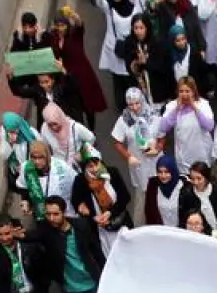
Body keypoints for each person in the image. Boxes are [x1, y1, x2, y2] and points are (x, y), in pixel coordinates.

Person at [39, 196, 107, 293]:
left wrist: (106, 273)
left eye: (55, 214)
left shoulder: (80, 226)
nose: (51, 218)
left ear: (64, 212)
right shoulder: (46, 231)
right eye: (48, 214)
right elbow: (30, 236)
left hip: (90, 283)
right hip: (70, 289)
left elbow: (96, 250)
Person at [110, 87, 164, 225]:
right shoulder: (124, 120)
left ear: (142, 101)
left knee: (161, 191)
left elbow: (162, 137)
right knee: (143, 194)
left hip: (155, 161)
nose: (134, 107)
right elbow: (117, 142)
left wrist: (157, 149)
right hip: (138, 163)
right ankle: (143, 225)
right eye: (130, 104)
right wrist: (128, 156)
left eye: (137, 103)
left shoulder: (154, 116)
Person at [72, 146, 133, 255]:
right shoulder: (80, 181)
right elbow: (76, 201)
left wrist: (110, 213)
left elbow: (125, 197)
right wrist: (90, 215)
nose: (95, 169)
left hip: (120, 222)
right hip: (99, 228)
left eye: (97, 164)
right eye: (90, 166)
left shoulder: (112, 173)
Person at [158, 77, 216, 175]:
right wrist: (176, 110)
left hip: (203, 154)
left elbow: (209, 126)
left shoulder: (203, 104)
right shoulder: (171, 106)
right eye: (181, 91)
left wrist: (194, 107)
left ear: (193, 91)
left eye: (187, 91)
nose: (184, 94)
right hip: (184, 156)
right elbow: (163, 127)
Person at [97, 0, 139, 108]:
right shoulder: (109, 8)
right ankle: (121, 105)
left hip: (130, 48)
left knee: (131, 76)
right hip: (115, 48)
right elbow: (99, 2)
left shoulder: (132, 7)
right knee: (118, 79)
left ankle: (135, 102)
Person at [21, 139, 78, 223]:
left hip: (63, 213)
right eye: (34, 157)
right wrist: (25, 201)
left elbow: (76, 183)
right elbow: (23, 186)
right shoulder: (26, 168)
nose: (37, 161)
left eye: (40, 157)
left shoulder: (61, 167)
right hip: (41, 215)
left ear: (47, 156)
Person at [6, 12, 47, 100]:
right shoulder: (19, 35)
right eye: (25, 27)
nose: (28, 30)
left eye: (30, 27)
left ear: (35, 25)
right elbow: (14, 51)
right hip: (26, 70)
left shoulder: (44, 36)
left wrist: (38, 39)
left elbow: (44, 53)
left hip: (40, 71)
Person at [178, 161, 217, 231]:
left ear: (206, 178)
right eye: (192, 179)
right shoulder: (187, 194)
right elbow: (183, 218)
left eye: (199, 178)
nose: (196, 182)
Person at [39, 101, 94, 167]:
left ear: (60, 118)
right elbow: (45, 146)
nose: (54, 127)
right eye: (50, 125)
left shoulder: (75, 127)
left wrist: (82, 154)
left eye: (55, 123)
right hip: (58, 168)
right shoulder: (45, 128)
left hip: (76, 167)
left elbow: (91, 138)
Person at [0, 111, 36, 195]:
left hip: (30, 174)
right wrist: (10, 144)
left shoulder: (31, 135)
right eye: (9, 131)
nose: (11, 133)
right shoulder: (5, 132)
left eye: (14, 131)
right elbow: (3, 155)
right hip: (16, 172)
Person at [145, 154, 184, 225]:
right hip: (161, 232)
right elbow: (149, 212)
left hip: (180, 232)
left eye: (166, 172)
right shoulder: (153, 186)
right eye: (160, 172)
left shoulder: (184, 186)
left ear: (173, 171)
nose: (163, 176)